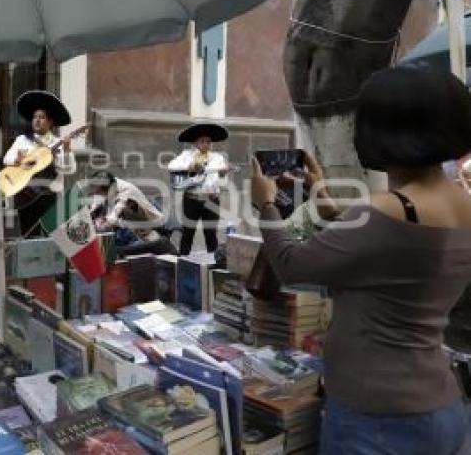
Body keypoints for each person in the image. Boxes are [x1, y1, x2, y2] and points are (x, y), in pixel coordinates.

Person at [251, 67, 471, 454]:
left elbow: (291, 264)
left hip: (378, 416)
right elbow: (396, 250)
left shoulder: (383, 212)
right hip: (441, 405)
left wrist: (265, 203)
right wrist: (323, 196)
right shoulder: (460, 204)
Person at [2, 90, 76, 238]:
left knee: (53, 237)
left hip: (49, 197)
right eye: (35, 117)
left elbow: (69, 169)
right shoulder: (22, 139)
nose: (37, 120)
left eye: (41, 117)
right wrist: (17, 161)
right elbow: (6, 159)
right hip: (26, 195)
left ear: (50, 122)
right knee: (29, 236)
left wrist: (67, 150)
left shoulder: (58, 143)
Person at [168, 123, 230, 254]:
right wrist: (190, 166)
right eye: (202, 141)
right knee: (188, 233)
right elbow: (171, 166)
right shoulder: (187, 155)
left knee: (211, 234)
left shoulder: (218, 157)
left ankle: (213, 263)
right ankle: (183, 260)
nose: (206, 144)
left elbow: (223, 182)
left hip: (211, 200)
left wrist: (222, 174)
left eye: (208, 141)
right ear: (196, 143)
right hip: (192, 200)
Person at [87, 170, 177, 256]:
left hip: (151, 225)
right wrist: (91, 218)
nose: (97, 193)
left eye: (99, 191)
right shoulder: (109, 184)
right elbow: (96, 206)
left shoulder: (125, 192)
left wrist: (100, 226)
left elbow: (112, 219)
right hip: (129, 227)